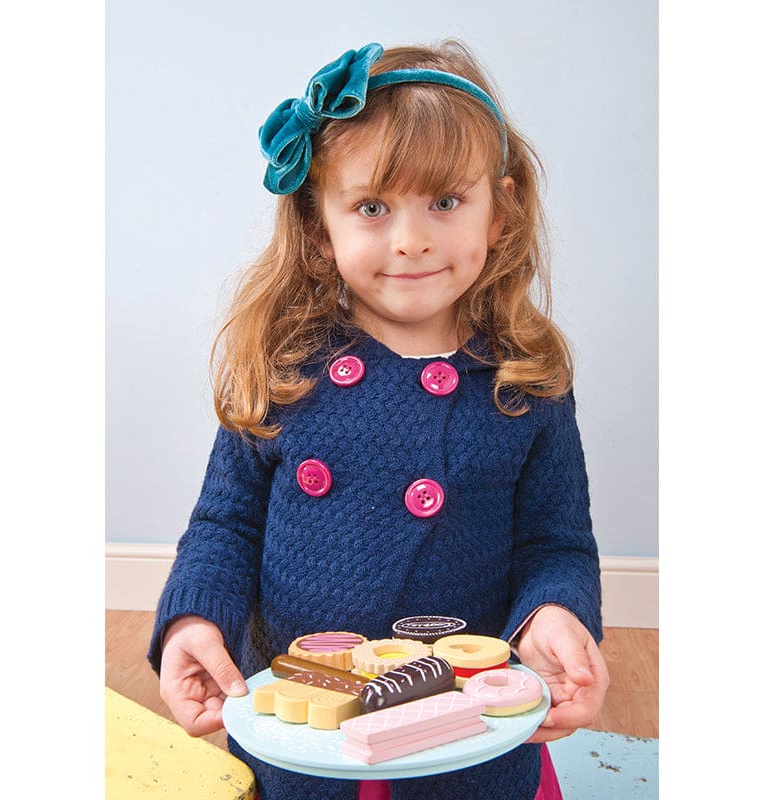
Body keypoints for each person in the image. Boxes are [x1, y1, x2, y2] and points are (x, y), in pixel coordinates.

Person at [148, 40, 609, 800]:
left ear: (500, 211)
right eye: (371, 207)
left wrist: (554, 615)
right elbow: (224, 525)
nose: (411, 238)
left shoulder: (526, 382)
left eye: (446, 202)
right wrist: (195, 620)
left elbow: (555, 542)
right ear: (319, 225)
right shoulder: (283, 366)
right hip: (306, 726)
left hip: (464, 734)